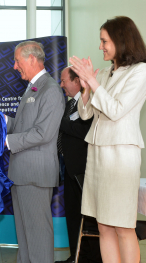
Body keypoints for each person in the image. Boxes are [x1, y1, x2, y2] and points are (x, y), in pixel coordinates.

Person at [69, 16, 146, 263]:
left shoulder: (141, 71)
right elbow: (86, 114)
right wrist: (86, 88)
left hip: (120, 156)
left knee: (123, 227)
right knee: (104, 226)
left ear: (120, 40)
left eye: (104, 41)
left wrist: (93, 82)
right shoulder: (104, 73)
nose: (100, 46)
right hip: (97, 155)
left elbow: (116, 110)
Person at [5, 41, 65, 263]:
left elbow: (42, 134)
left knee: (38, 236)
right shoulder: (33, 87)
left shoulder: (50, 90)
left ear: (32, 59)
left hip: (35, 175)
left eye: (17, 60)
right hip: (22, 173)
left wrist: (6, 140)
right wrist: (3, 122)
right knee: (25, 236)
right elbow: (25, 127)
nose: (14, 66)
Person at [55, 67, 101, 263]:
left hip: (84, 170)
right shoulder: (68, 105)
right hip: (69, 168)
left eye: (64, 80)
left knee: (88, 217)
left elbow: (84, 131)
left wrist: (59, 122)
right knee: (73, 216)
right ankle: (76, 256)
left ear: (76, 81)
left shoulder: (87, 102)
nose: (61, 85)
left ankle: (93, 258)